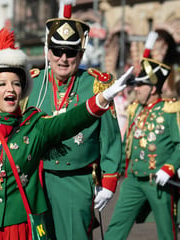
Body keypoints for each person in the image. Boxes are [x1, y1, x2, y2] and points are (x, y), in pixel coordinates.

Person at [0, 28, 133, 239]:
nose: (10, 90)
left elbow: (69, 121)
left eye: (16, 84)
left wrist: (102, 99)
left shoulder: (34, 125)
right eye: (2, 84)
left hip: (16, 227)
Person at [25, 12, 123, 240]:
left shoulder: (97, 84)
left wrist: (109, 180)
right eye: (57, 51)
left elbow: (110, 136)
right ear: (47, 51)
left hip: (76, 181)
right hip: (36, 181)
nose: (63, 58)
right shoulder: (32, 83)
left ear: (80, 54)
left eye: (70, 52)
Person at [104, 57, 179, 239]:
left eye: (140, 85)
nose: (135, 89)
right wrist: (115, 172)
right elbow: (127, 144)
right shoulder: (135, 109)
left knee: (166, 232)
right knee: (115, 227)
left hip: (159, 182)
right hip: (133, 181)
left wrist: (169, 168)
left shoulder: (169, 111)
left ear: (153, 89)